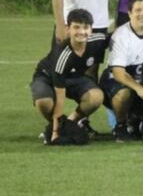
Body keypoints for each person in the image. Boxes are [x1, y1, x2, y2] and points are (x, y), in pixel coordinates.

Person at [30, 9, 106, 144]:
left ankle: (70, 123)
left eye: (86, 27)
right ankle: (54, 126)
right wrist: (55, 134)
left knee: (96, 97)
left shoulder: (97, 39)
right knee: (44, 102)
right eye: (76, 27)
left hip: (74, 77)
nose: (82, 32)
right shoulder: (63, 56)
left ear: (91, 29)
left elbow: (117, 35)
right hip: (47, 77)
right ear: (68, 29)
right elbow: (60, 101)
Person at [99, 0, 143, 141]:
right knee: (124, 93)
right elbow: (118, 73)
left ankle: (137, 120)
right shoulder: (121, 35)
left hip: (141, 81)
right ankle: (120, 126)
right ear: (129, 13)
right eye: (138, 10)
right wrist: (139, 88)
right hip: (115, 81)